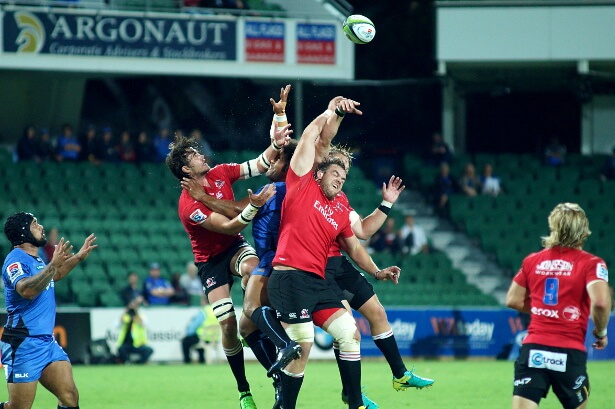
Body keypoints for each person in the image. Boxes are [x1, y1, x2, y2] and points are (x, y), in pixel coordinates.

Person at [267, 97, 401, 409]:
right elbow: (318, 138)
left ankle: (354, 402)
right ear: (317, 173)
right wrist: (333, 112)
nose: (339, 180)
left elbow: (356, 242)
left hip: (317, 283)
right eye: (334, 175)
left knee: (350, 332)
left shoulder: (339, 210)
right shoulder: (302, 182)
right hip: (290, 279)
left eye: (343, 179)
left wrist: (376, 271)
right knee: (302, 348)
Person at [165, 104, 290, 409]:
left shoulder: (221, 173)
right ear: (185, 170)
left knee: (253, 270)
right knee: (227, 326)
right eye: (194, 156)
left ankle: (262, 326)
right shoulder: (187, 206)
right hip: (210, 262)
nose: (202, 155)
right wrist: (254, 204)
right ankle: (244, 390)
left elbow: (259, 164)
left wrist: (276, 136)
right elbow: (230, 225)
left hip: (234, 247)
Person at [326, 147, 434, 406]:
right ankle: (351, 394)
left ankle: (400, 374)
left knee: (378, 313)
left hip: (339, 265)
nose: (342, 176)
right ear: (323, 168)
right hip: (317, 268)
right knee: (348, 329)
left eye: (345, 171)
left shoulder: (340, 201)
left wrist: (386, 203)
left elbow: (361, 233)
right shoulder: (310, 193)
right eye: (337, 168)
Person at [505, 202, 611, 409]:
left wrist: (546, 310)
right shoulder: (592, 263)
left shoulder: (532, 260)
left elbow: (513, 299)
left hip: (533, 348)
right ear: (583, 229)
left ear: (553, 226)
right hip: (568, 351)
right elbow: (600, 303)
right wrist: (601, 332)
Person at [1, 212, 97, 409]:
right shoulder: (15, 260)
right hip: (23, 343)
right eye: (35, 224)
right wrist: (52, 264)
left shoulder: (36, 259)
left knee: (70, 397)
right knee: (18, 407)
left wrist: (78, 257)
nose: (41, 227)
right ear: (22, 232)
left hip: (46, 342)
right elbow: (27, 289)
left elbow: (54, 275)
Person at [181, 296, 220, 364]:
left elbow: (193, 326)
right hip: (214, 338)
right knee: (196, 339)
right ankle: (202, 360)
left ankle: (187, 361)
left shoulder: (204, 311)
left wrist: (188, 334)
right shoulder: (217, 310)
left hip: (203, 337)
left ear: (204, 301)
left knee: (185, 341)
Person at [117, 299, 154, 364]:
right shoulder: (125, 317)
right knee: (121, 349)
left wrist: (136, 313)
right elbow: (116, 325)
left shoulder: (141, 316)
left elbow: (144, 324)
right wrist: (125, 312)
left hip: (138, 344)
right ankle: (127, 362)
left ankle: (139, 363)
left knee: (149, 350)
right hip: (126, 344)